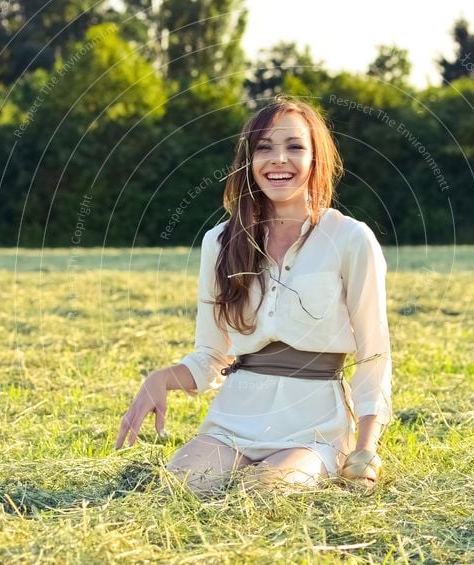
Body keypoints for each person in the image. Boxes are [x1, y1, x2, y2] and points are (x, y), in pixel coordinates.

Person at [115, 95, 392, 495]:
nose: (279, 159)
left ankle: (306, 464)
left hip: (312, 427)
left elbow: (374, 352)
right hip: (234, 419)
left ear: (316, 158)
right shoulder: (220, 241)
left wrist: (365, 449)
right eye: (265, 147)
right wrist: (160, 378)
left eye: (295, 147)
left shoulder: (350, 238)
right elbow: (211, 356)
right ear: (248, 160)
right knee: (181, 489)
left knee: (265, 494)